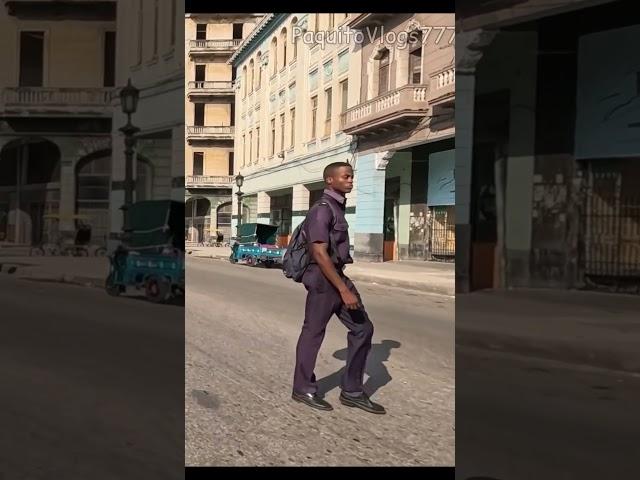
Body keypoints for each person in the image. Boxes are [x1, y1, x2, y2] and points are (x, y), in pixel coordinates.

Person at [292, 162, 386, 414]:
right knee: (313, 332)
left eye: (352, 176)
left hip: (336, 275)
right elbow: (320, 253)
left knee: (362, 328)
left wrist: (343, 285)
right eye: (345, 177)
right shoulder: (322, 210)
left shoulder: (336, 207)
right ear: (329, 181)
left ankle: (352, 390)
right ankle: (303, 388)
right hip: (324, 279)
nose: (351, 180)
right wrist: (343, 290)